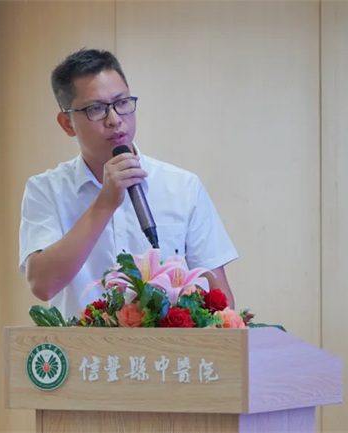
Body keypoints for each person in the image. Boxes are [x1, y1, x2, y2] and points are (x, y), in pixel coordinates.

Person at [19, 48, 238, 319]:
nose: (114, 119)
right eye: (96, 109)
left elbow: (220, 302)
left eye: (122, 103)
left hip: (169, 346)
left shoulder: (182, 187)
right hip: (85, 346)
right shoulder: (46, 190)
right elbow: (42, 284)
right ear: (67, 124)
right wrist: (104, 204)